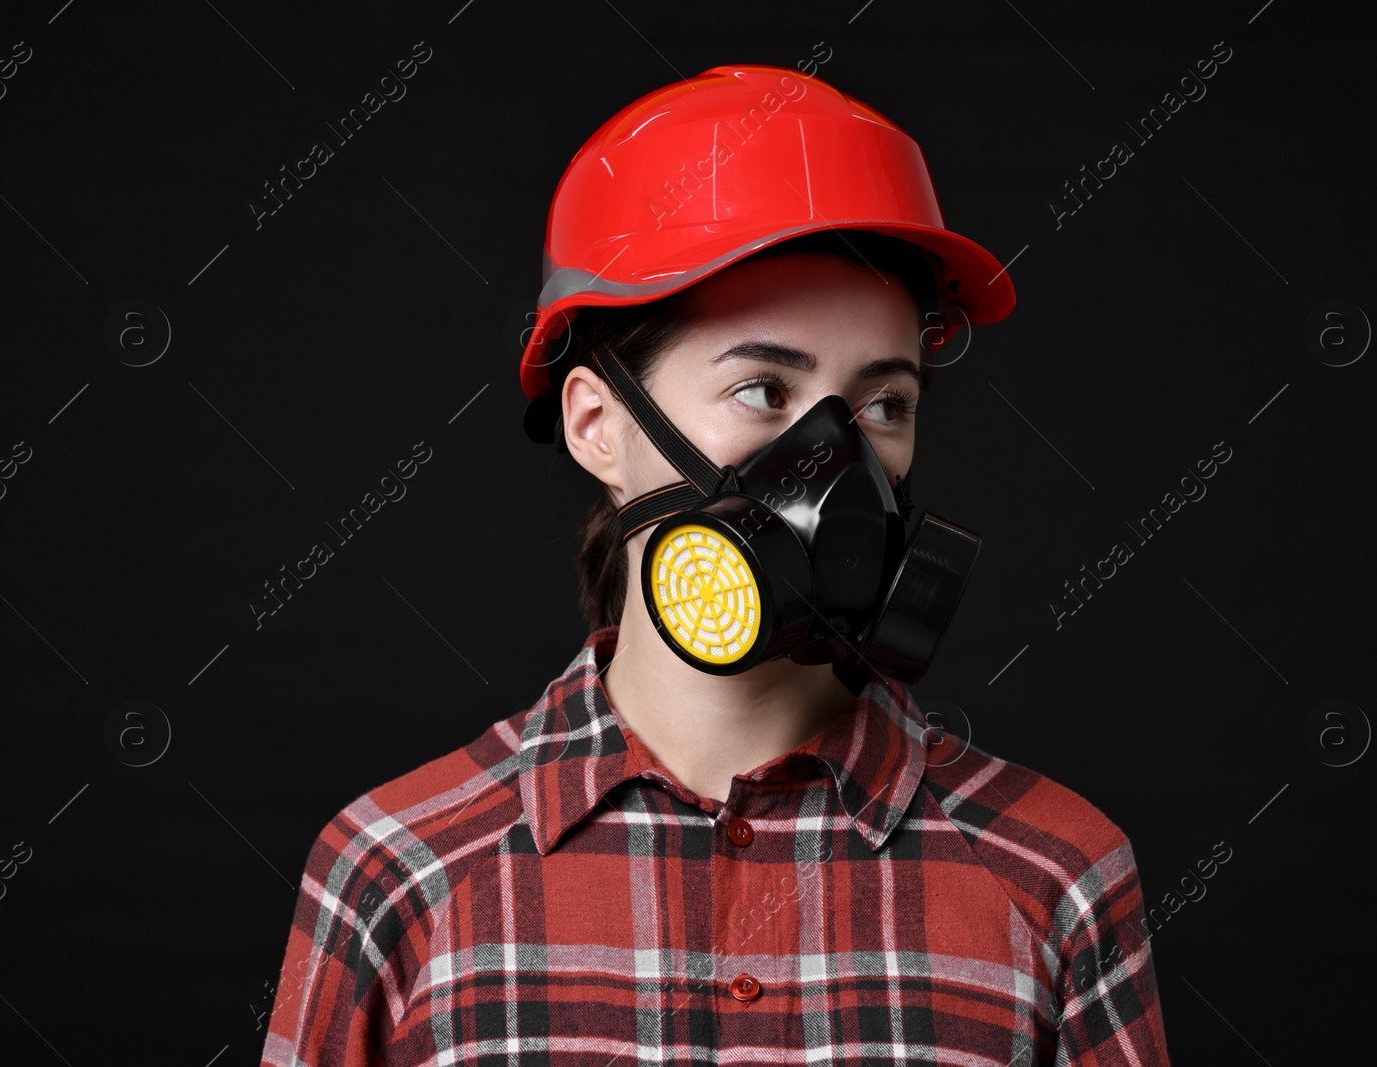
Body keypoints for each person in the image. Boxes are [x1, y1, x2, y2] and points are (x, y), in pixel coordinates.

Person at [261, 64, 1171, 1066]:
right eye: (762, 389)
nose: (840, 460)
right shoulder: (398, 875)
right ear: (598, 426)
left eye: (883, 404)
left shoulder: (1053, 876)